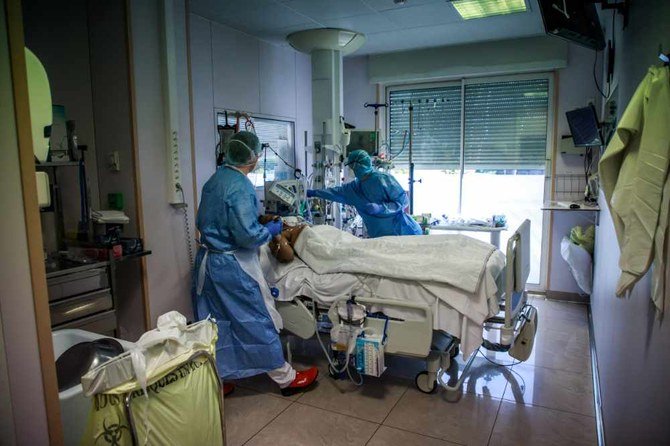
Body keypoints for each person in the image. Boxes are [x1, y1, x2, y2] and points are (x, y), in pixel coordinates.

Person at [192, 131, 318, 396]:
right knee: (254, 318)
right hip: (232, 266)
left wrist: (259, 219)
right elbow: (247, 236)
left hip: (209, 263)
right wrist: (270, 230)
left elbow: (223, 218)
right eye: (258, 154)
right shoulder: (241, 185)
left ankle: (222, 376)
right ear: (253, 157)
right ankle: (286, 378)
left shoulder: (214, 181)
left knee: (218, 322)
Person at [307, 150, 422, 237]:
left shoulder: (383, 179)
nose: (351, 170)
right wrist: (313, 193)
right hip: (380, 237)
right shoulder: (354, 187)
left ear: (359, 165)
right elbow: (335, 192)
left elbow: (403, 201)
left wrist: (381, 208)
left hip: (403, 232)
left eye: (352, 166)